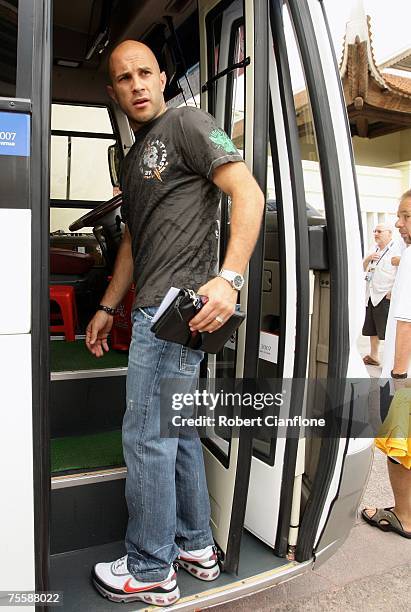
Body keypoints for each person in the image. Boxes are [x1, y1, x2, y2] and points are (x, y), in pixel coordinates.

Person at [85, 40, 265, 605]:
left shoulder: (188, 123)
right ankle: (194, 546)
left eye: (144, 73)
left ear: (162, 77)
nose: (136, 84)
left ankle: (150, 568)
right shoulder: (138, 155)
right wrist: (107, 307)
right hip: (150, 309)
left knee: (147, 439)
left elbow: (248, 192)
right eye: (123, 78)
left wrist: (229, 278)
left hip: (175, 310)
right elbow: (135, 243)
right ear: (112, 92)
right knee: (179, 434)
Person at [362, 190, 411, 538]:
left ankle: (405, 518)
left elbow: (406, 321)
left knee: (399, 446)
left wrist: (398, 377)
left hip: (406, 371)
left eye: (406, 216)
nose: (399, 223)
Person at [362, 223, 401, 366]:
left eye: (379, 231)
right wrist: (368, 258)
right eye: (375, 231)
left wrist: (393, 291)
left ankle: (392, 361)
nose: (376, 234)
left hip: (385, 294)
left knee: (387, 330)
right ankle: (374, 356)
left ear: (389, 233)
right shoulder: (374, 248)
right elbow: (364, 267)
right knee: (372, 328)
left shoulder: (397, 249)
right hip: (372, 294)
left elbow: (402, 272)